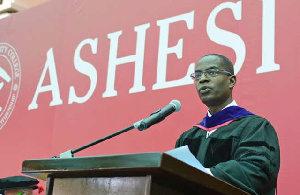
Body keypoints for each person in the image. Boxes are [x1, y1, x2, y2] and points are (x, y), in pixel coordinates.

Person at [175, 54, 280, 195]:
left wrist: (201, 175)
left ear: (231, 81)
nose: (203, 79)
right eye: (198, 75)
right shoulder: (187, 138)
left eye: (212, 72)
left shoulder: (255, 127)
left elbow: (257, 170)